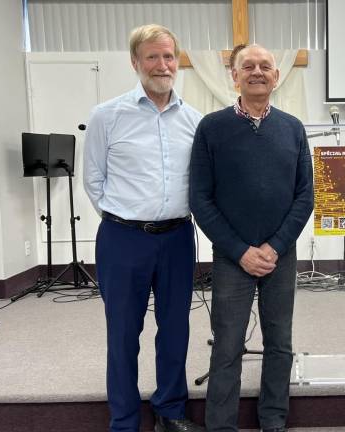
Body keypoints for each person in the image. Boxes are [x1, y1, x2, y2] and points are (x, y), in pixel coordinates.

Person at [83, 24, 204, 432]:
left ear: (177, 61)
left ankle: (170, 411)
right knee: (122, 333)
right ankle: (124, 420)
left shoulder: (194, 120)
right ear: (135, 62)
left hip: (177, 238)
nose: (162, 65)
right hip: (123, 239)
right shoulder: (106, 116)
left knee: (175, 330)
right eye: (152, 56)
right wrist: (125, 217)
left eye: (168, 56)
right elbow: (93, 179)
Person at [189, 44, 314, 432]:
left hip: (280, 254)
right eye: (248, 66)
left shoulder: (293, 128)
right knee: (227, 344)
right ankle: (220, 426)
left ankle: (273, 420)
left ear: (276, 76)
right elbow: (200, 198)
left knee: (280, 341)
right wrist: (240, 251)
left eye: (265, 66)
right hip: (232, 257)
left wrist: (275, 246)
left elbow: (305, 196)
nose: (257, 72)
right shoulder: (211, 127)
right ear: (234, 76)